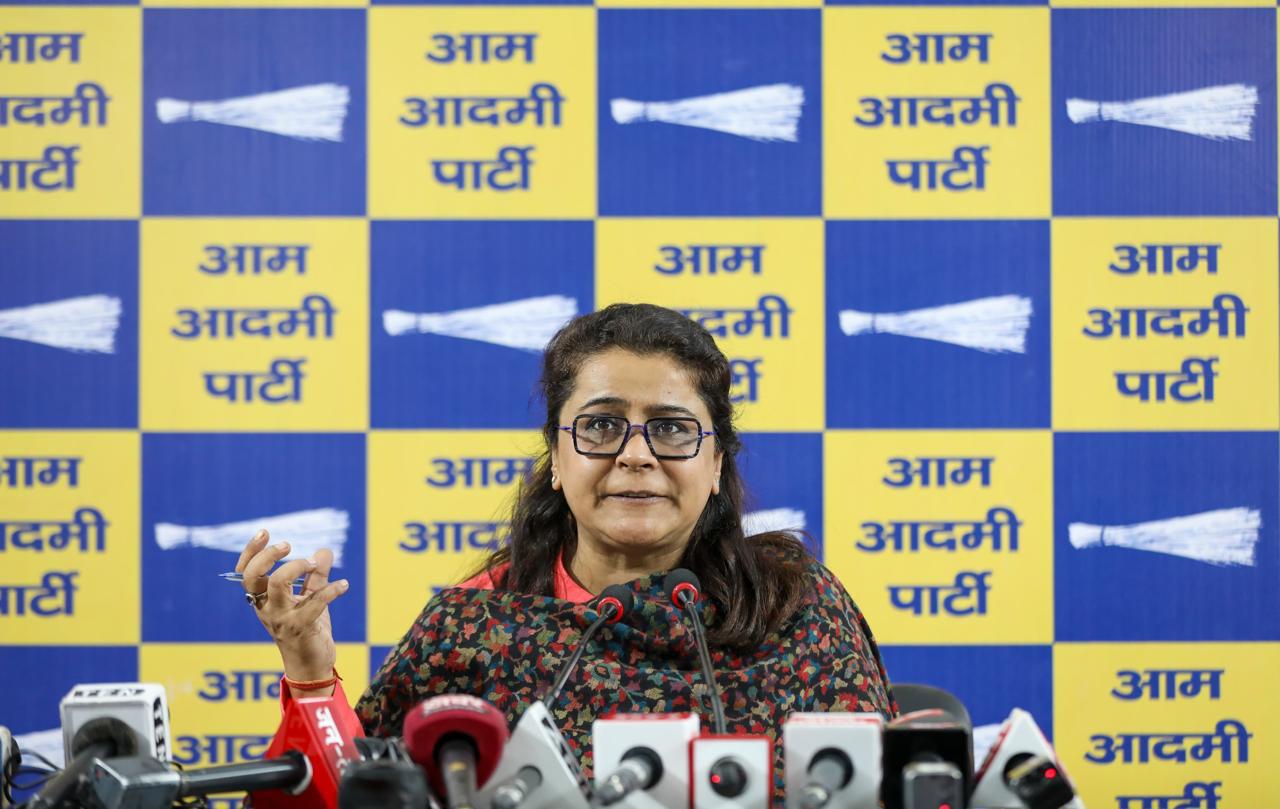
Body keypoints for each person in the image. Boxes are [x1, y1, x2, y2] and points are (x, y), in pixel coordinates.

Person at [236, 303, 896, 804]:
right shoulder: (473, 625)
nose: (636, 455)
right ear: (556, 456)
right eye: (602, 425)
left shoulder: (797, 608)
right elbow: (358, 797)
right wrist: (310, 670)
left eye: (671, 428)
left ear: (716, 462)